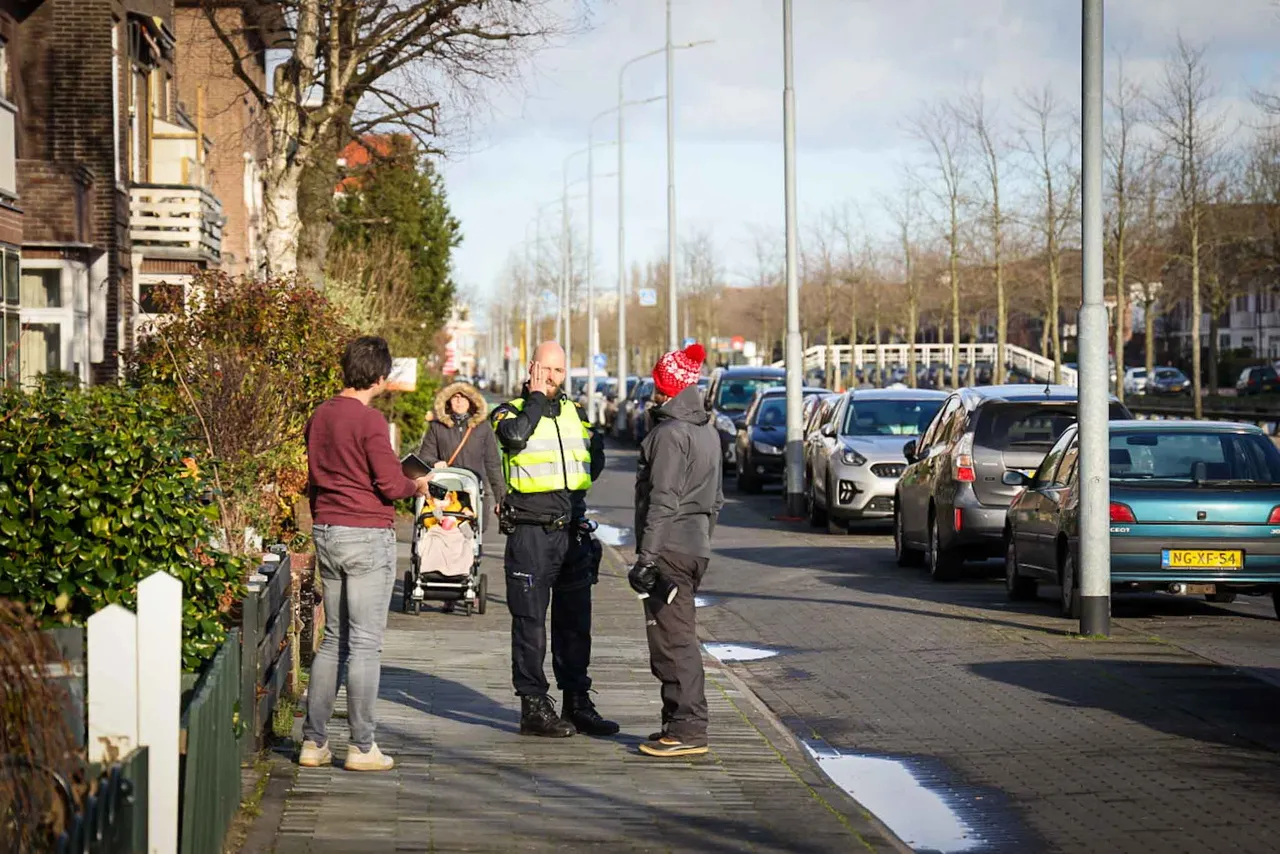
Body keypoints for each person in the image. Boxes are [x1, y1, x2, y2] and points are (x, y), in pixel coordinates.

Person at [299, 336, 434, 772]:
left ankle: (313, 742)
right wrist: (415, 483)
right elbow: (389, 484)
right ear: (379, 376)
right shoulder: (370, 421)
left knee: (334, 639)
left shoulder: (320, 415)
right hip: (366, 534)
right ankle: (361, 746)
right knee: (364, 644)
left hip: (327, 529)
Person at [490, 341, 617, 738]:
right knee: (530, 622)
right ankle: (532, 706)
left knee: (575, 622)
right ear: (531, 370)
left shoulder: (575, 414)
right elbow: (513, 438)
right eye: (545, 370)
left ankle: (576, 701)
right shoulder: (510, 411)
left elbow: (591, 465)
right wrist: (535, 400)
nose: (552, 378)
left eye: (559, 372)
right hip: (531, 530)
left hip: (572, 528)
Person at [629, 342, 723, 758]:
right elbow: (716, 500)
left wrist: (647, 557)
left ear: (666, 386)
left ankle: (687, 728)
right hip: (693, 545)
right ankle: (675, 723)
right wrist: (700, 541)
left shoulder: (669, 434)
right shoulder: (707, 431)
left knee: (673, 639)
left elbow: (662, 499)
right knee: (674, 634)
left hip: (668, 547)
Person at [417, 381, 506, 510]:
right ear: (448, 401)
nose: (459, 401)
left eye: (463, 397)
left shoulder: (482, 427)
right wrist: (434, 462)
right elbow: (425, 456)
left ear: (471, 401)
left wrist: (500, 498)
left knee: (476, 528)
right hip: (445, 494)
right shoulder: (437, 427)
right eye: (455, 397)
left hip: (474, 492)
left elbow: (493, 464)